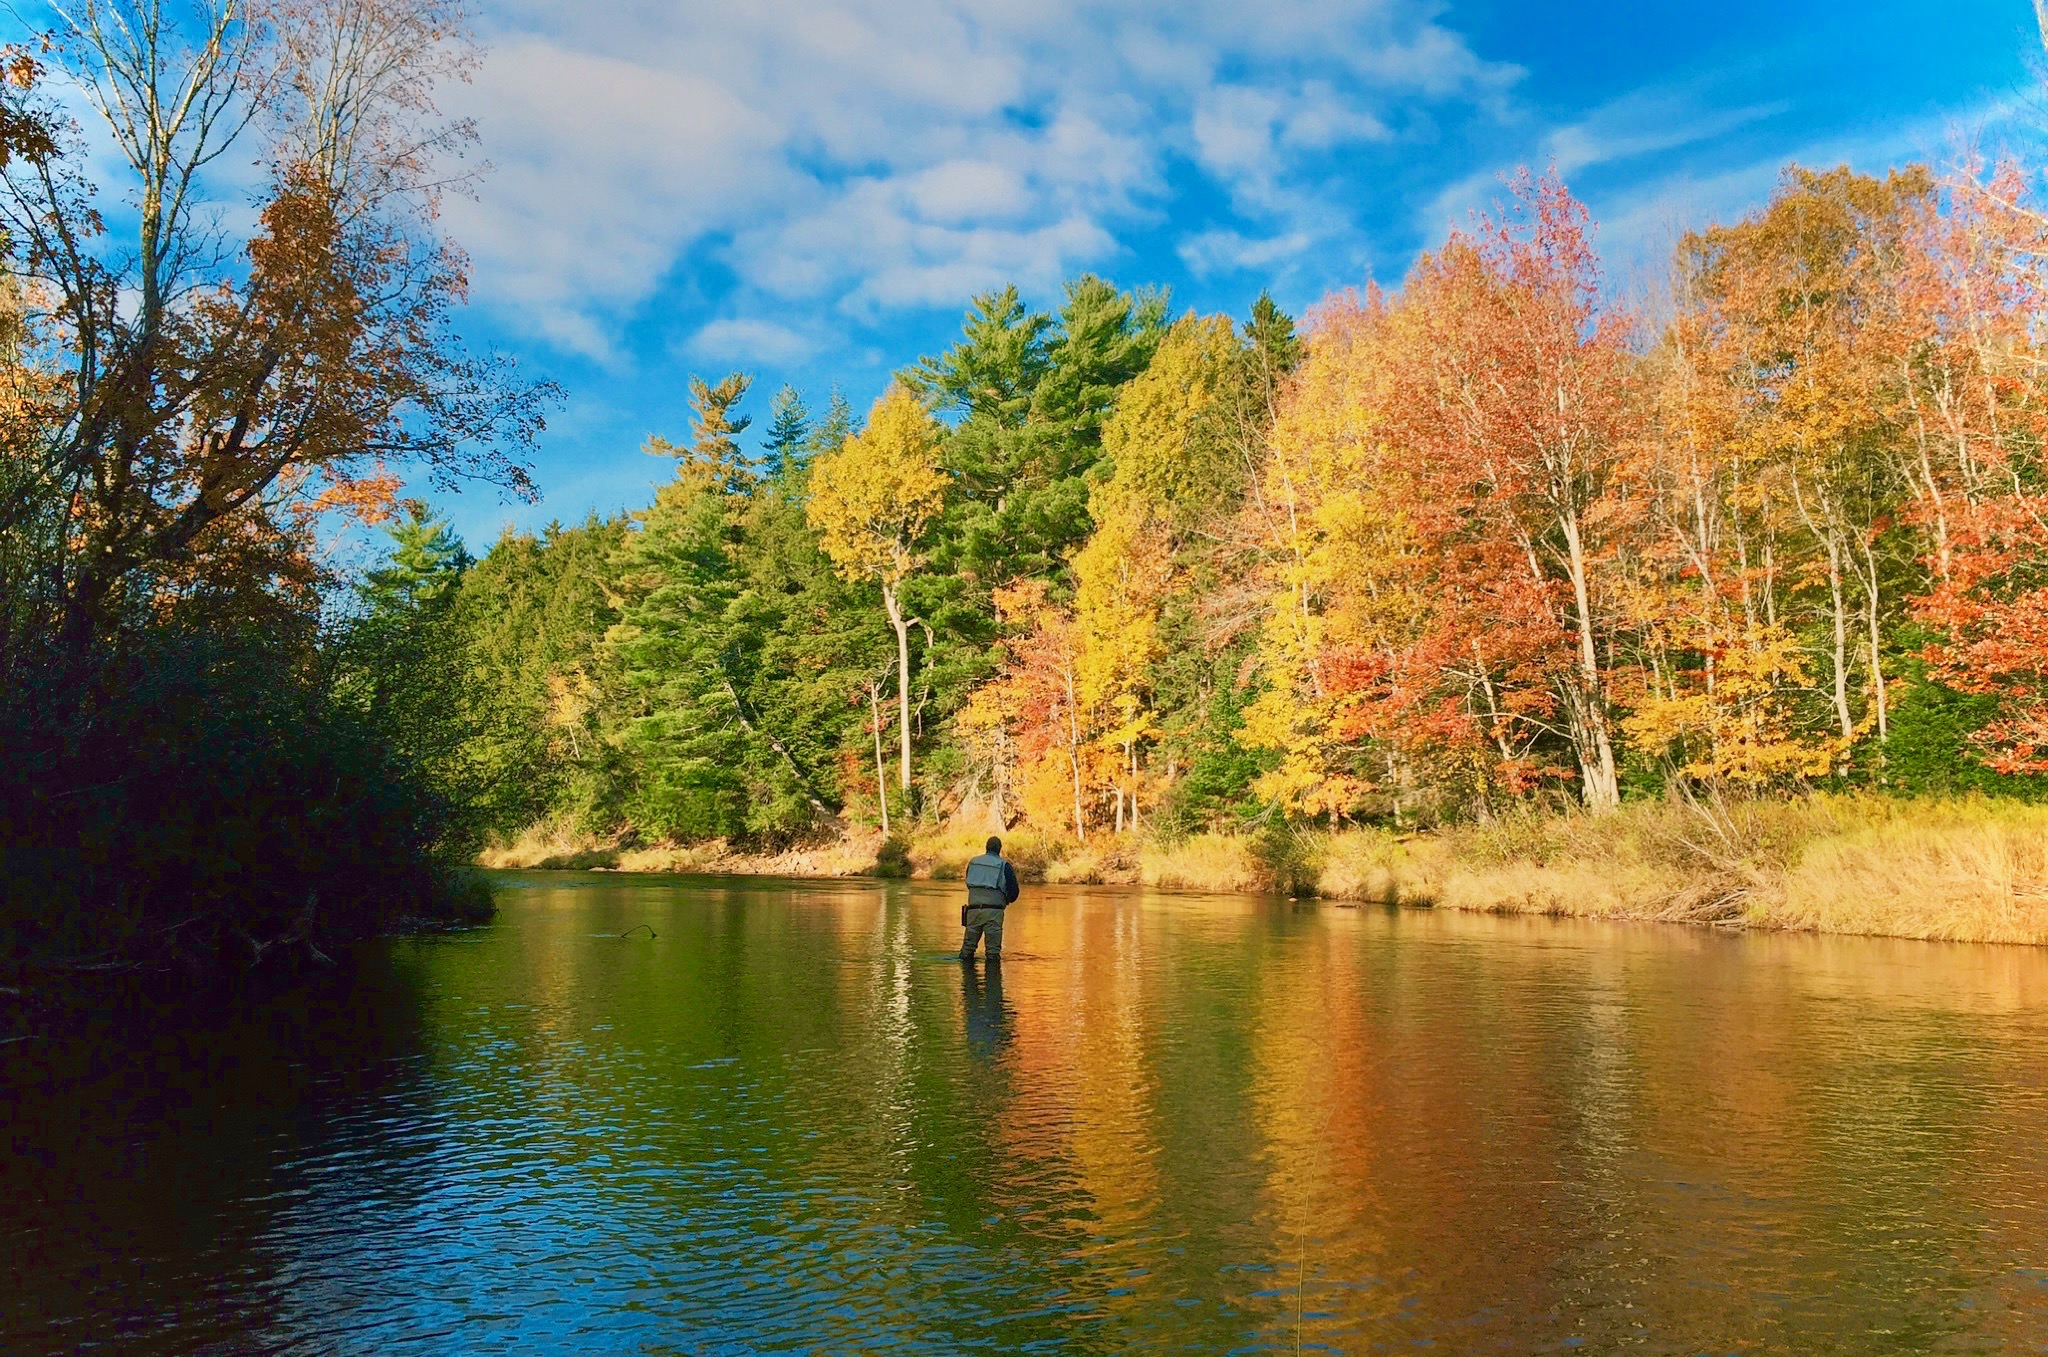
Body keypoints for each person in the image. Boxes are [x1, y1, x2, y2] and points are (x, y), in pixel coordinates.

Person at [959, 834, 1020, 961]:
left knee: (967, 949)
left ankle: (967, 978)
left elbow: (968, 883)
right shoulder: (1004, 866)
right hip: (994, 912)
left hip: (973, 910)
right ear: (999, 849)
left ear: (986, 847)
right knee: (993, 953)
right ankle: (992, 978)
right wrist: (1006, 899)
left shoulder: (973, 862)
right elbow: (1014, 891)